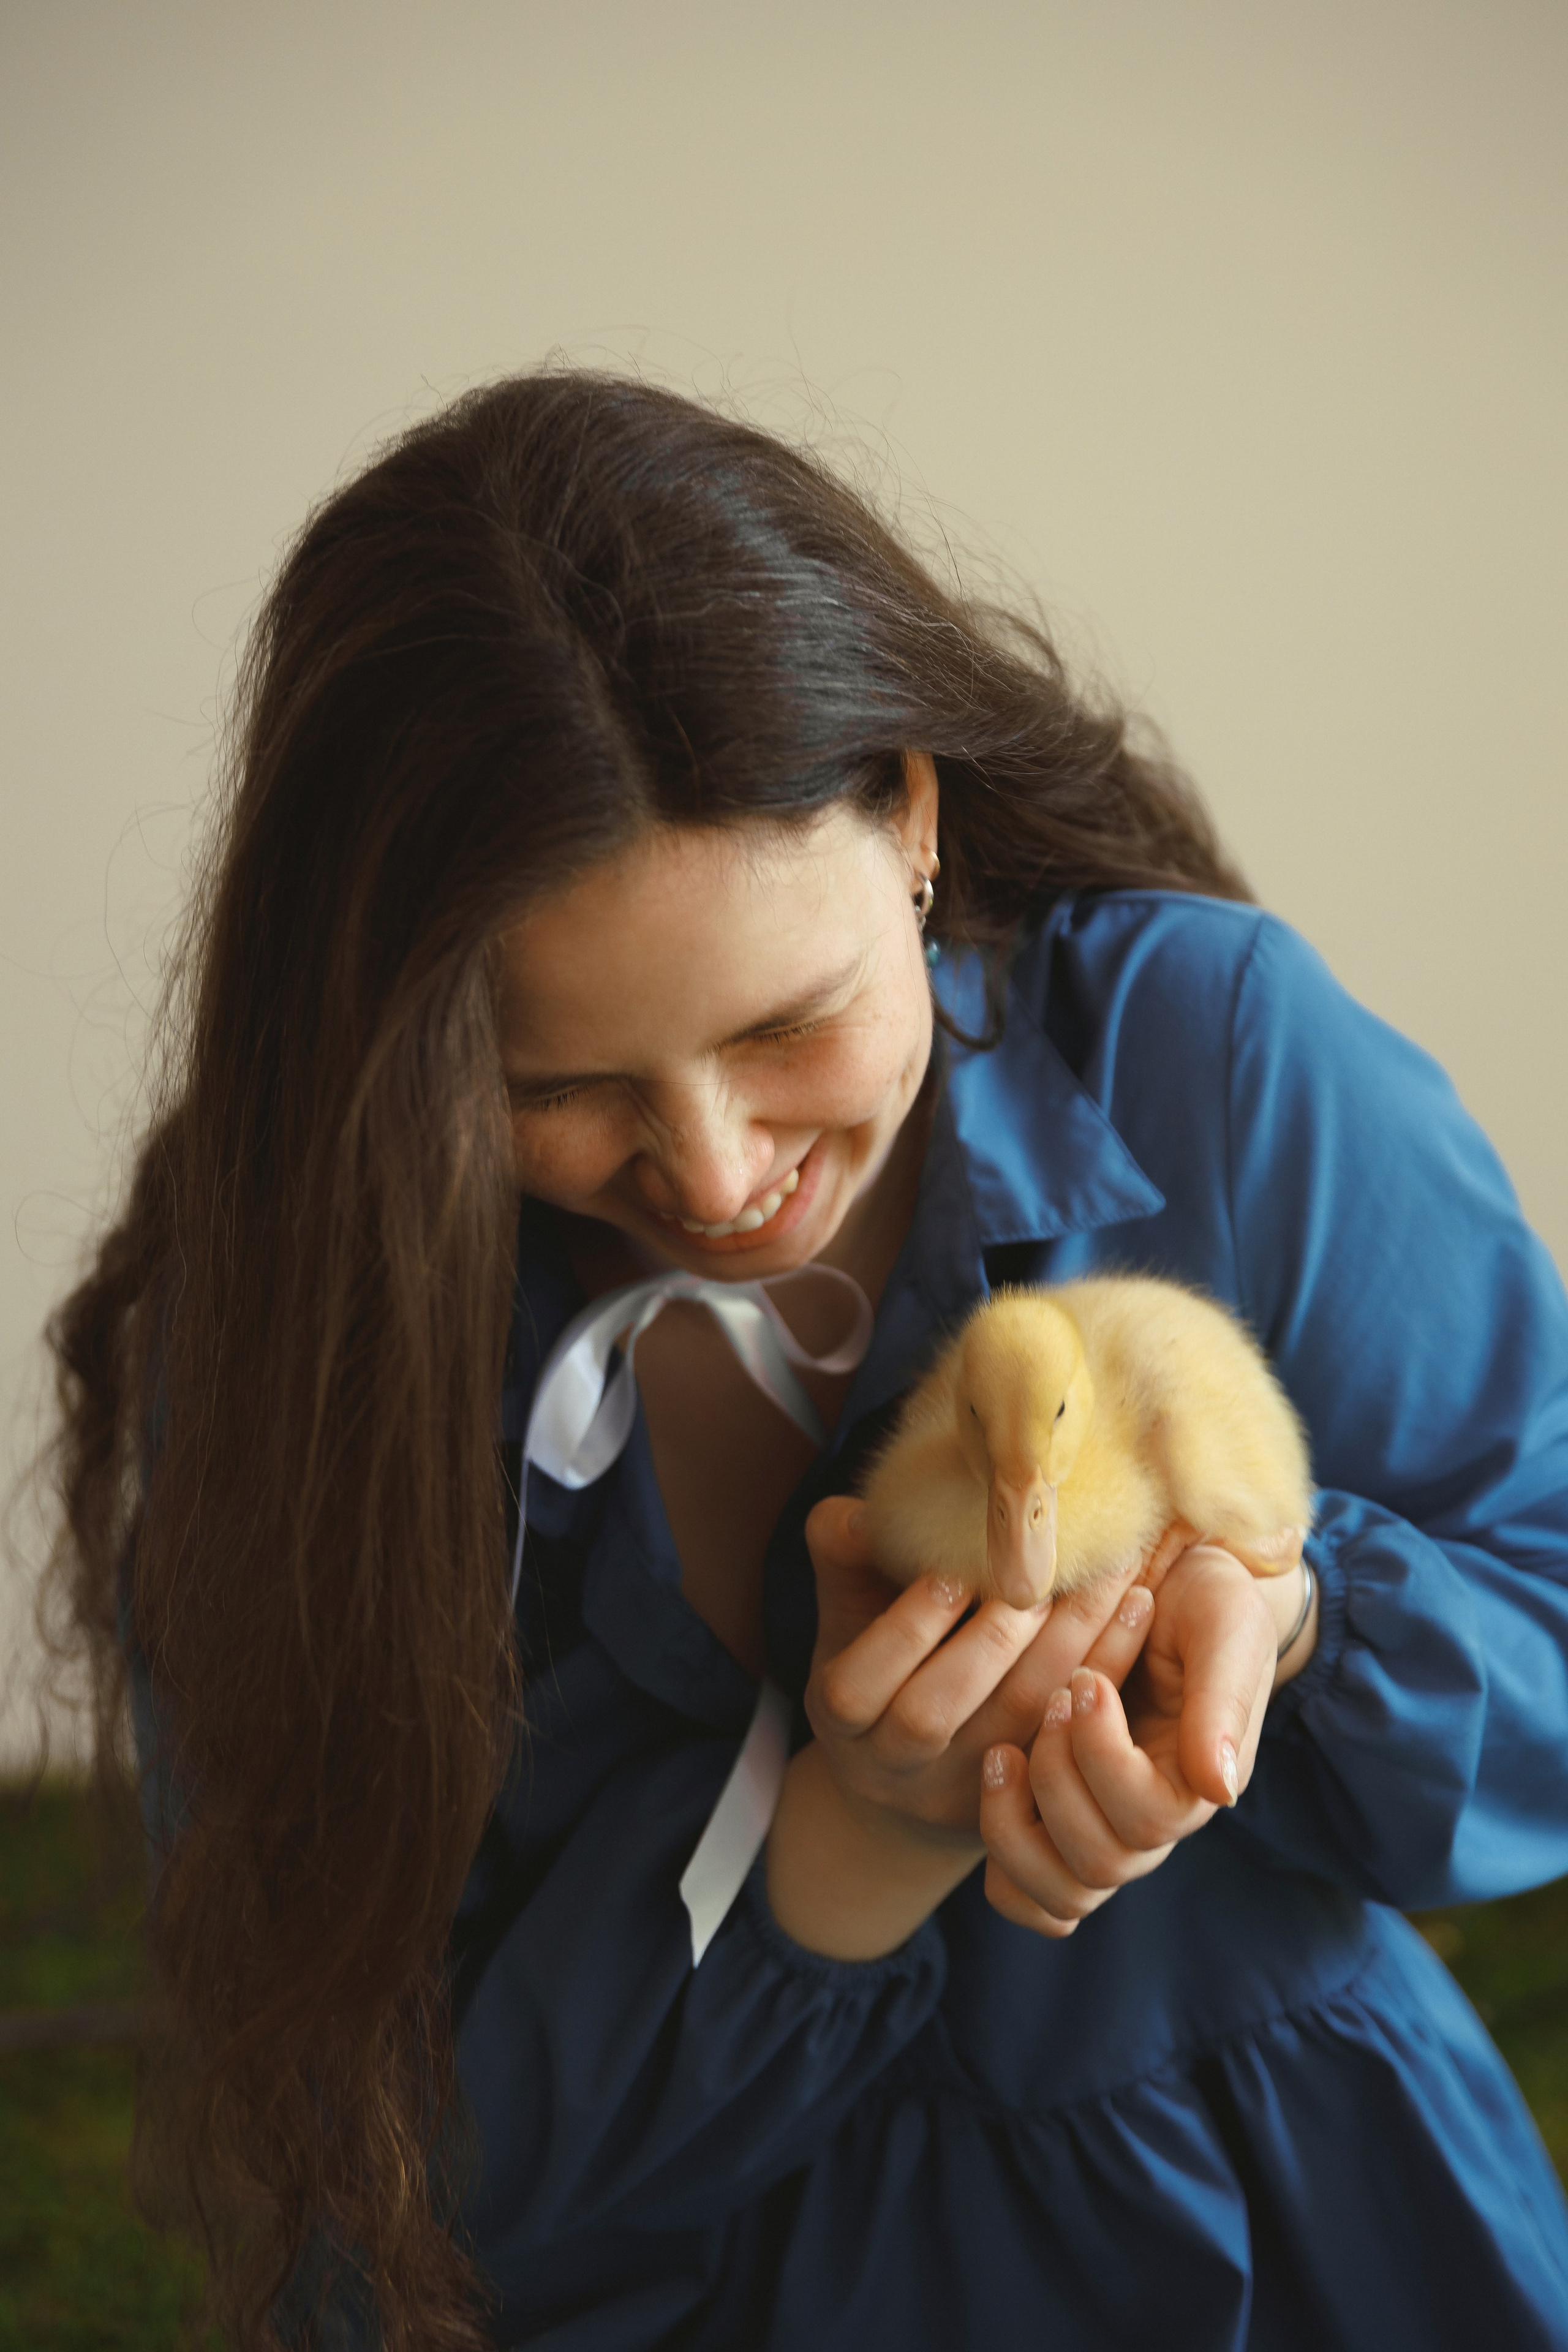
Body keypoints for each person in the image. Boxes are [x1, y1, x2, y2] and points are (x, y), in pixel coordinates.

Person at [46, 371, 1568, 2350]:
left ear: (914, 823)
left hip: (1319, 2250)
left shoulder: (1208, 1061)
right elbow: (378, 2172)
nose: (713, 1174)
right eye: (558, 1084)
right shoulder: (301, 1344)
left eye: (788, 1026)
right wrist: (842, 1855)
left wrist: (1291, 1632)